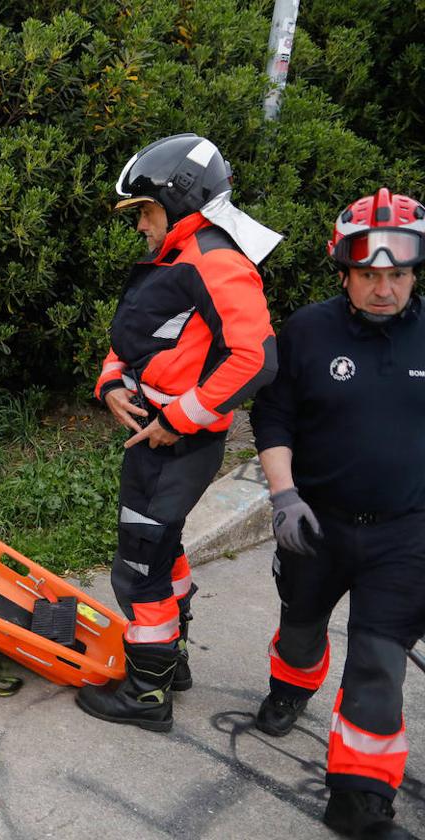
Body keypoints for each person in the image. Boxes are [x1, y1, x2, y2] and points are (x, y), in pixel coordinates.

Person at [76, 133, 281, 732]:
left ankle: (146, 692)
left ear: (179, 198)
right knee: (161, 550)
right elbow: (140, 334)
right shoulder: (178, 254)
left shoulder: (215, 260)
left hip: (176, 443)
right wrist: (110, 381)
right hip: (157, 434)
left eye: (144, 210)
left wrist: (178, 418)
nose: (140, 224)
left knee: (140, 565)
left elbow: (256, 358)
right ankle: (173, 665)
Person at [250, 187, 425, 839]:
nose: (385, 289)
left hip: (405, 534)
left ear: (413, 272)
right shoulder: (307, 331)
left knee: (378, 663)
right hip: (315, 523)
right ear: (344, 271)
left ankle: (359, 797)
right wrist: (283, 495)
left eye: (398, 275)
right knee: (301, 627)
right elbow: (272, 414)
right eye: (370, 276)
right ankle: (290, 688)